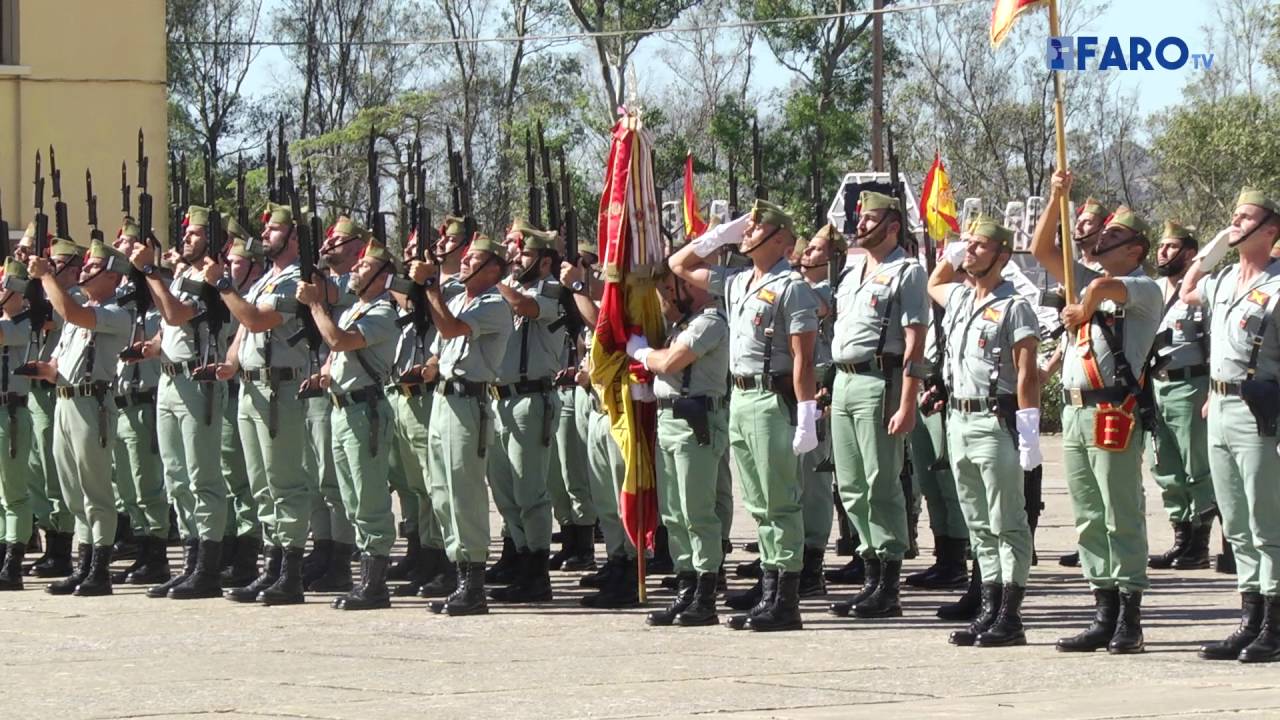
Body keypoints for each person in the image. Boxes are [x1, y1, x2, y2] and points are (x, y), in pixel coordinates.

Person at [669, 199, 819, 633]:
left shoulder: (793, 287)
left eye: (756, 228)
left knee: (779, 501)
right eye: (746, 229)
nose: (747, 234)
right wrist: (719, 235)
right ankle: (770, 590)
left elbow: (803, 358)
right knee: (758, 503)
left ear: (781, 240)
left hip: (773, 400)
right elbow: (679, 263)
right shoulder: (737, 283)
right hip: (740, 398)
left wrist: (806, 413)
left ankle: (786, 600)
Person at [1030, 171, 1161, 654]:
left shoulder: (1144, 288)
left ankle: (1130, 617)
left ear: (1136, 249)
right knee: (1087, 514)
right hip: (1074, 411)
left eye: (1113, 237)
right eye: (1098, 234)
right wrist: (1055, 200)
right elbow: (1040, 248)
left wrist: (1083, 306)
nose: (1099, 240)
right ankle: (1101, 610)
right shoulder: (1088, 279)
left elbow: (1105, 290)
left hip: (1114, 409)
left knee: (1119, 511)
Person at [928, 218, 1040, 647]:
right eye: (967, 245)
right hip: (958, 419)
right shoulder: (958, 298)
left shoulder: (1015, 306)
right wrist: (959, 245)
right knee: (978, 522)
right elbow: (937, 279)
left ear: (1003, 256)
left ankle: (1010, 616)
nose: (969, 251)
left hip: (995, 422)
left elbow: (1027, 372)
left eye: (980, 246)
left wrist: (1029, 430)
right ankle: (989, 608)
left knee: (1006, 520)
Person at [1179, 188, 1280, 663]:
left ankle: (1274, 625)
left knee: (1266, 522)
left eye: (1246, 218)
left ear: (1271, 230)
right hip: (1217, 407)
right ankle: (1249, 618)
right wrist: (1219, 241)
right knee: (1236, 522)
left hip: (1259, 411)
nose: (1236, 222)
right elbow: (1187, 287)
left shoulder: (1278, 286)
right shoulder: (1221, 281)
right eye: (1233, 216)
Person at [825, 191, 928, 621]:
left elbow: (915, 343)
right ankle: (869, 573)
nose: (860, 225)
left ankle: (888, 582)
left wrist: (906, 403)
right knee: (850, 485)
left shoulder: (906, 272)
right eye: (859, 218)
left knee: (879, 481)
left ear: (893, 226)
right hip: (844, 381)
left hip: (878, 381)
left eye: (869, 219)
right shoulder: (851, 272)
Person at [410, 234, 513, 617]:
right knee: (440, 489)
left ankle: (474, 583)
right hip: (442, 398)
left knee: (463, 489)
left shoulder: (493, 305)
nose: (465, 264)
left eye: (474, 260)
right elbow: (443, 343)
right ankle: (459, 573)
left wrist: (431, 286)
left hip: (469, 402)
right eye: (465, 258)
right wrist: (431, 365)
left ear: (494, 270)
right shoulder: (458, 299)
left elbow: (452, 329)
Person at [30, 239, 133, 597]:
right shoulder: (80, 312)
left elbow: (71, 313)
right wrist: (42, 370)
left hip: (93, 404)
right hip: (64, 400)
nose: (86, 271)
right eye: (85, 266)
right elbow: (59, 363)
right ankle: (84, 564)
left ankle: (99, 569)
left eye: (93, 268)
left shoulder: (117, 313)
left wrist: (46, 277)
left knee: (96, 489)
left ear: (113, 277)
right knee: (73, 491)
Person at [628, 267, 729, 627]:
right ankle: (686, 587)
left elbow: (671, 361)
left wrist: (641, 354)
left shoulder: (710, 321)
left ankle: (705, 592)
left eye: (673, 288)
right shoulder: (682, 323)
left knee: (697, 510)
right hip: (670, 420)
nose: (668, 296)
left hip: (695, 421)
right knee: (673, 513)